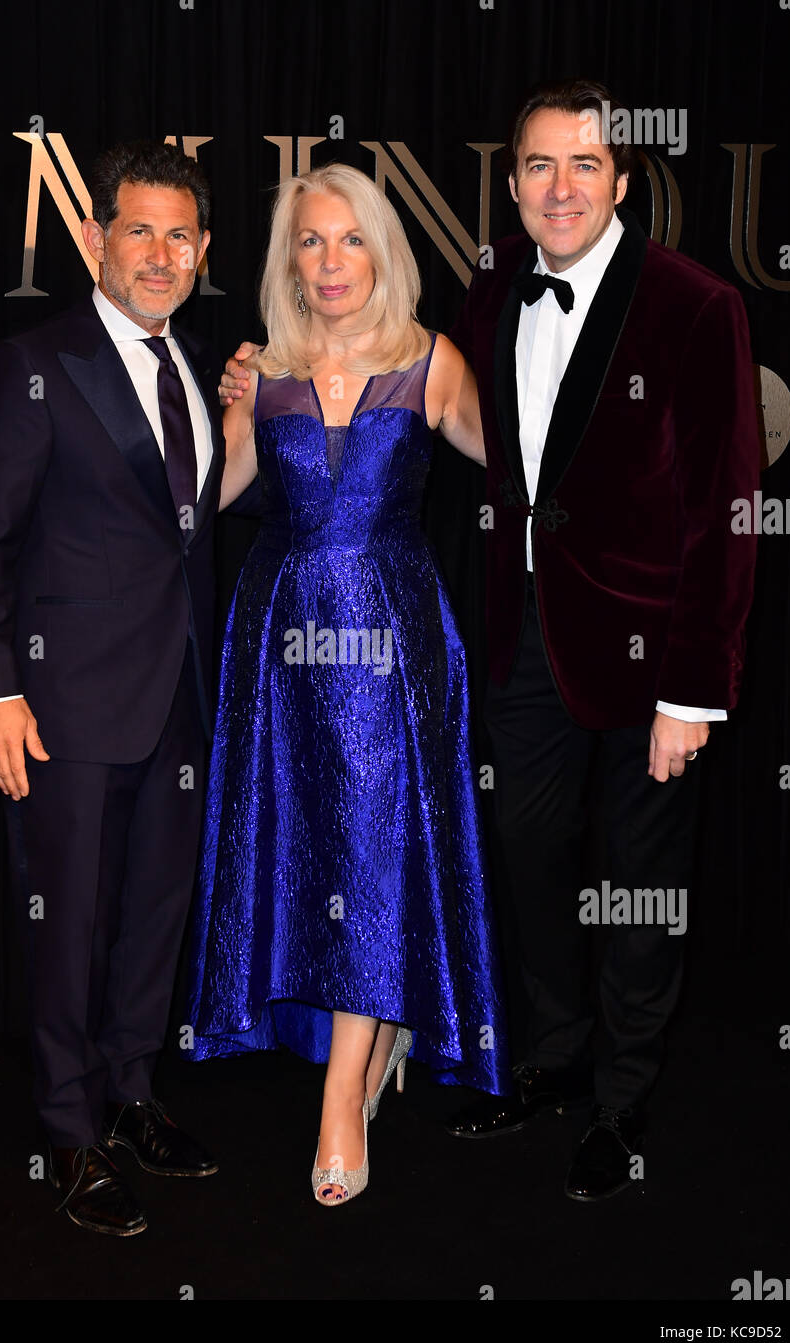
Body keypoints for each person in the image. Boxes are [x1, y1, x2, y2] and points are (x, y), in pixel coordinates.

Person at [442, 79, 759, 1199]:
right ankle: (551, 1059)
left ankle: (621, 1107)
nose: (559, 187)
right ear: (514, 181)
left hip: (651, 654)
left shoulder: (692, 304)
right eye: (537, 166)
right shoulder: (491, 292)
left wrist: (693, 691)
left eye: (582, 165)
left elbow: (726, 510)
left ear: (622, 181)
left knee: (637, 886)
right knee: (526, 856)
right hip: (527, 638)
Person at [185, 163, 510, 1206]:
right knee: (302, 839)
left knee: (373, 847)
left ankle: (342, 1098)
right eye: (310, 243)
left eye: (349, 240)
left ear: (383, 250)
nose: (329, 263)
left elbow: (530, 475)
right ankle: (366, 1050)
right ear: (289, 260)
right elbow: (211, 496)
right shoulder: (262, 370)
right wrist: (204, 397)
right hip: (277, 638)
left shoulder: (432, 362)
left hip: (391, 639)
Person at [0, 141, 225, 1236]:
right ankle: (68, 1132)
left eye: (180, 235)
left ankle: (132, 1093)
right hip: (62, 709)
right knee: (67, 921)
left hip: (182, 699)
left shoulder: (201, 367)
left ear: (203, 250)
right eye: (139, 230)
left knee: (155, 914)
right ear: (94, 238)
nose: (159, 255)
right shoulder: (32, 363)